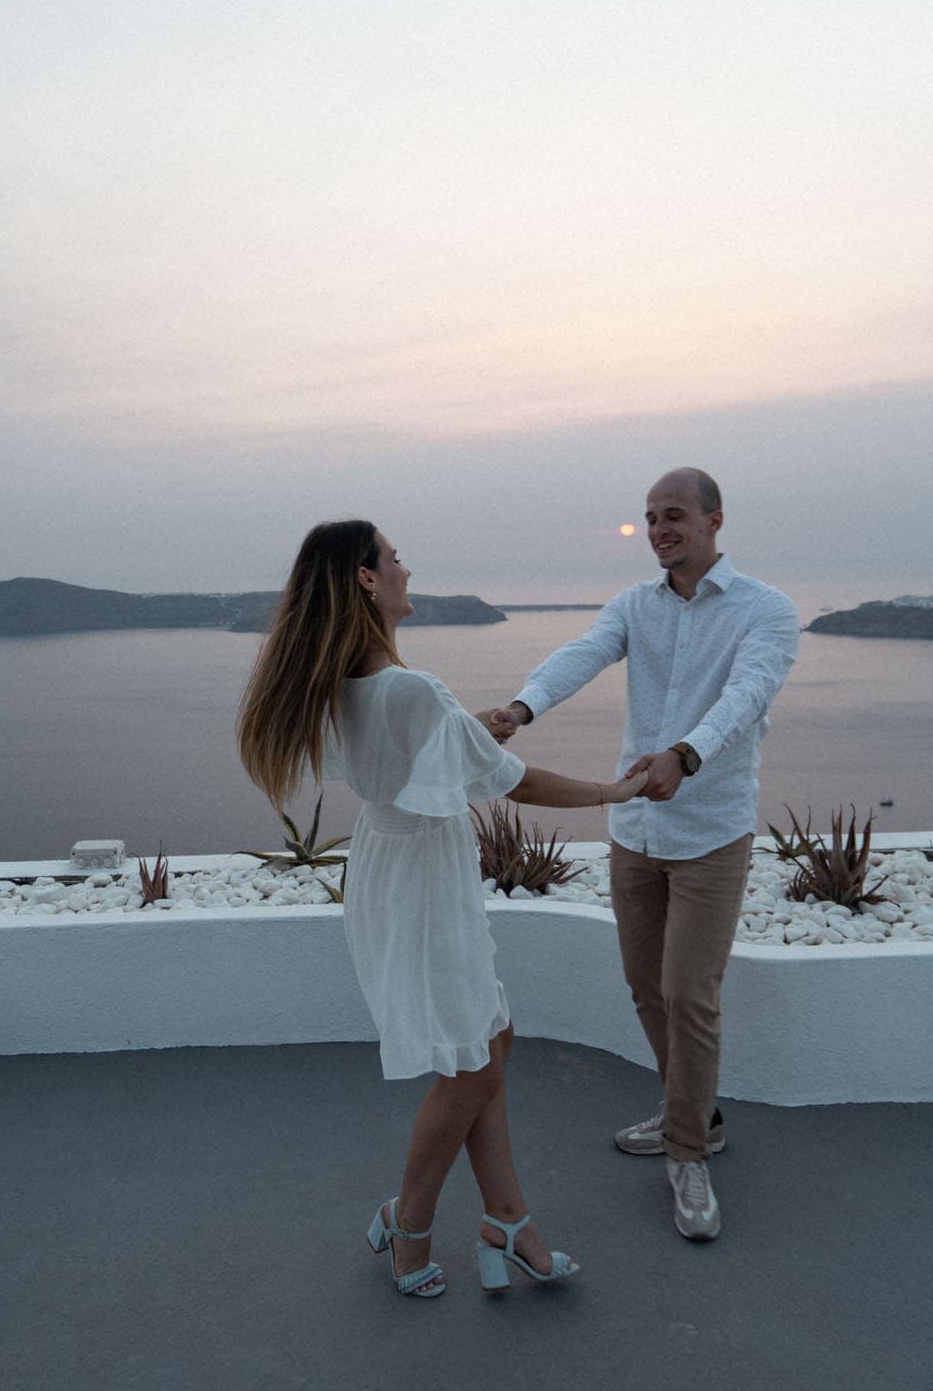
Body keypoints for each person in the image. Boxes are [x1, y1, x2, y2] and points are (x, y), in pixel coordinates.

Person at [238, 519, 646, 1299]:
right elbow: (513, 781)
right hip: (424, 880)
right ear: (365, 578)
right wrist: (613, 791)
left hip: (397, 868)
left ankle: (506, 1221)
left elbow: (425, 750)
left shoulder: (354, 683)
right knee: (469, 1066)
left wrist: (469, 733)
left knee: (488, 1041)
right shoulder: (412, 689)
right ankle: (411, 1221)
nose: (405, 567)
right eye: (393, 557)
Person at [493, 468, 798, 1243]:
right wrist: (522, 707)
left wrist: (685, 756)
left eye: (675, 516)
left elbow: (747, 696)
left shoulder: (767, 611)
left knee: (688, 993)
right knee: (643, 987)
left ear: (714, 521)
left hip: (710, 833)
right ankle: (694, 1110)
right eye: (651, 518)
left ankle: (688, 1150)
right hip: (636, 832)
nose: (661, 529)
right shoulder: (634, 606)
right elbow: (585, 652)